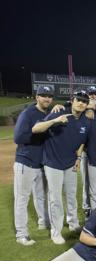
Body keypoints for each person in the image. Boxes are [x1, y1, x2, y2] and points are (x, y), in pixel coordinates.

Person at [32, 90, 91, 244]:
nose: (81, 103)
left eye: (84, 101)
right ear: (73, 100)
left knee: (71, 195)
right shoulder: (59, 112)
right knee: (55, 198)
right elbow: (36, 129)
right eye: (79, 100)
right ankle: (56, 231)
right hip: (52, 163)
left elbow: (82, 141)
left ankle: (73, 224)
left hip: (70, 163)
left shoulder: (85, 122)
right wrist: (54, 121)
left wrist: (78, 156)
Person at [12, 85, 53, 245]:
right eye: (43, 95)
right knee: (22, 199)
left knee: (41, 196)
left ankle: (43, 222)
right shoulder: (28, 113)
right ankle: (21, 234)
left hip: (41, 164)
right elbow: (18, 137)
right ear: (37, 97)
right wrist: (38, 134)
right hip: (25, 162)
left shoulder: (48, 114)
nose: (47, 99)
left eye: (49, 96)